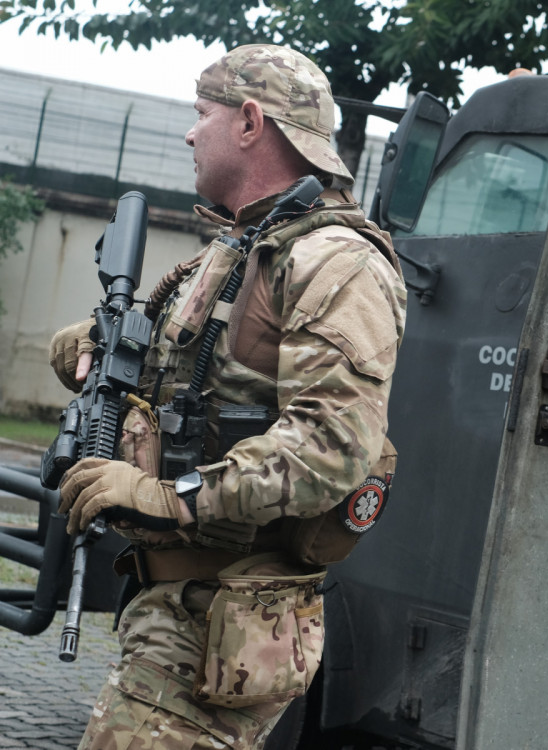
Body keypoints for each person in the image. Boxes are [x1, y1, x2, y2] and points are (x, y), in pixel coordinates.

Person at [48, 44, 407, 748]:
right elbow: (172, 365)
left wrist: (169, 496)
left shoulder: (336, 261)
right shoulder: (247, 244)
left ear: (249, 122)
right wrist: (86, 347)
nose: (189, 132)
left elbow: (333, 447)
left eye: (200, 114)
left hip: (225, 621)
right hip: (182, 610)